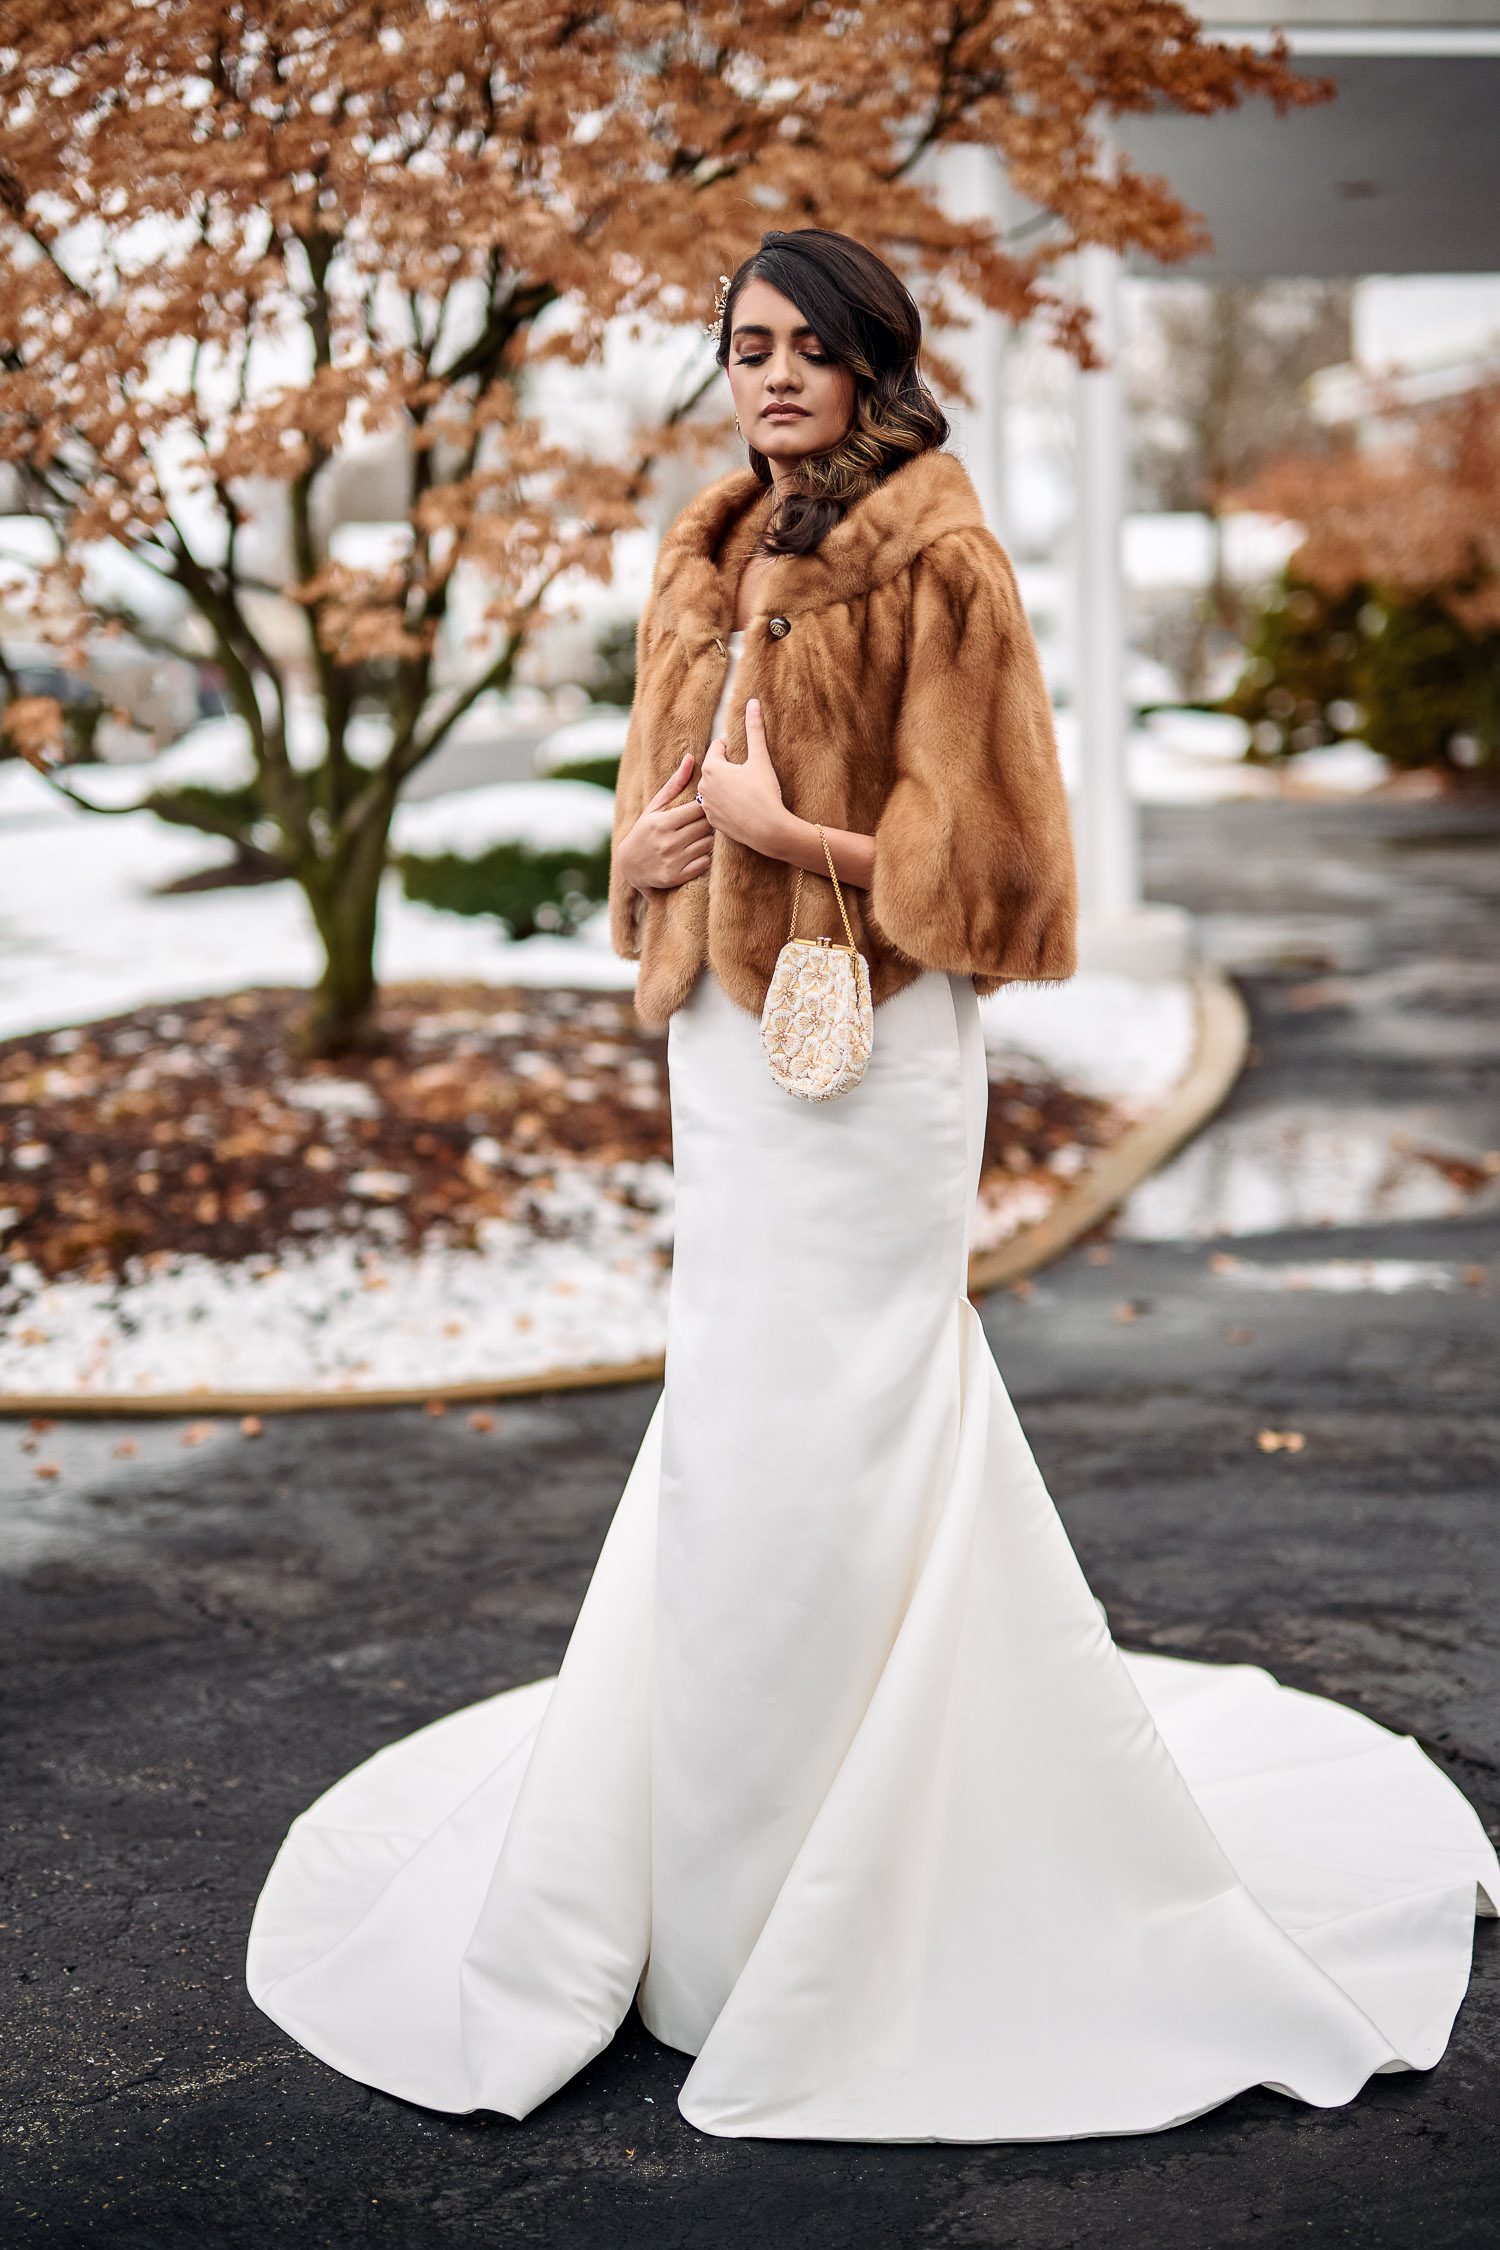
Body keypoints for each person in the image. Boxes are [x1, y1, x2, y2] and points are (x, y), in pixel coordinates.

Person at [247, 228, 1496, 2142]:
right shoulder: (699, 557)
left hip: (879, 1051)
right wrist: (660, 849)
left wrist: (785, 829)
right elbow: (654, 837)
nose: (765, 375)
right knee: (735, 1413)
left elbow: (1006, 885)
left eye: (802, 347)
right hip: (726, 1059)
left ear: (867, 362)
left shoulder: (944, 561)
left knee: (860, 1411)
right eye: (741, 344)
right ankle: (719, 1879)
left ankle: (894, 1869)